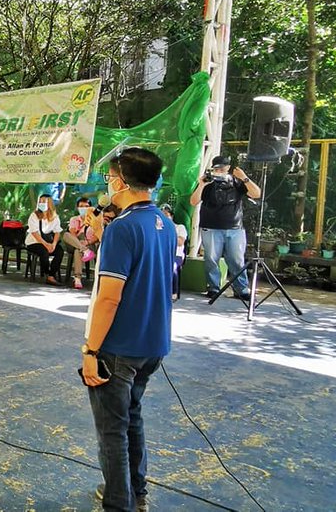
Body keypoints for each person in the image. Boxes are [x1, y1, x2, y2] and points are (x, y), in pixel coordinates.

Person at [81, 148, 175, 512]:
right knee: (132, 418)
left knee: (112, 431)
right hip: (152, 344)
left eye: (109, 178)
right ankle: (138, 494)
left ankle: (118, 503)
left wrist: (91, 350)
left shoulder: (123, 228)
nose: (108, 184)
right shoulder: (164, 223)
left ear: (120, 181)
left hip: (119, 346)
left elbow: (109, 298)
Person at [190, 155, 260, 300]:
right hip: (211, 226)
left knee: (236, 259)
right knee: (211, 259)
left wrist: (244, 177)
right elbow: (193, 201)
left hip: (235, 227)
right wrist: (201, 184)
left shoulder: (237, 181)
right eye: (217, 168)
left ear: (228, 167)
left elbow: (256, 194)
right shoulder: (208, 182)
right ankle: (213, 288)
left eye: (223, 168)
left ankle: (241, 289)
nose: (220, 171)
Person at [26, 194, 65, 286]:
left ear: (50, 203)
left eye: (44, 201)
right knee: (44, 252)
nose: (41, 203)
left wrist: (54, 244)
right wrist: (45, 244)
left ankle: (52, 274)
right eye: (40, 201)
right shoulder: (34, 215)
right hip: (34, 242)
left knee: (59, 251)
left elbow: (57, 231)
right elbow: (34, 233)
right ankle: (47, 273)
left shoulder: (55, 217)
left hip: (49, 241)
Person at [63, 197, 97, 289]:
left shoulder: (95, 220)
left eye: (86, 206)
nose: (84, 209)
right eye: (81, 206)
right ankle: (84, 250)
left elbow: (97, 236)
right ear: (77, 208)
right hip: (76, 241)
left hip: (90, 244)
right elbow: (72, 234)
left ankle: (77, 278)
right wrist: (80, 243)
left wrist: (86, 242)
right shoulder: (74, 219)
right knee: (66, 235)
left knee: (78, 251)